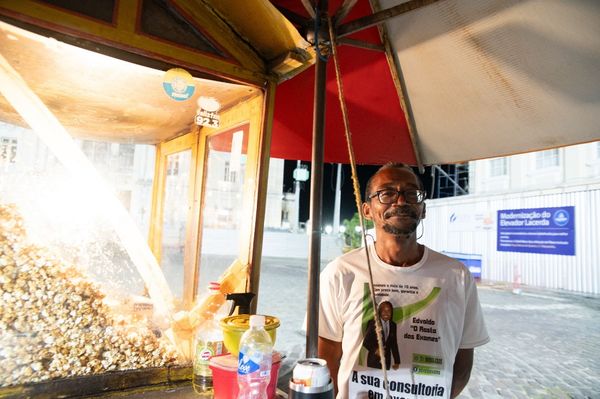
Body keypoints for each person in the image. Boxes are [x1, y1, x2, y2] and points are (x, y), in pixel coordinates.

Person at [318, 162, 489, 399]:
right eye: (387, 193)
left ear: (423, 209)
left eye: (411, 193)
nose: (400, 201)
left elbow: (462, 361)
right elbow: (327, 355)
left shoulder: (456, 276)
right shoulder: (340, 272)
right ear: (367, 210)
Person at [362, 301, 400, 370]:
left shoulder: (393, 325)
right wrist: (376, 350)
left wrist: (397, 361)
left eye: (389, 311)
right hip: (373, 361)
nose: (386, 313)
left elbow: (394, 344)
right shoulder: (373, 323)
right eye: (384, 310)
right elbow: (366, 342)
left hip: (386, 362)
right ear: (379, 312)